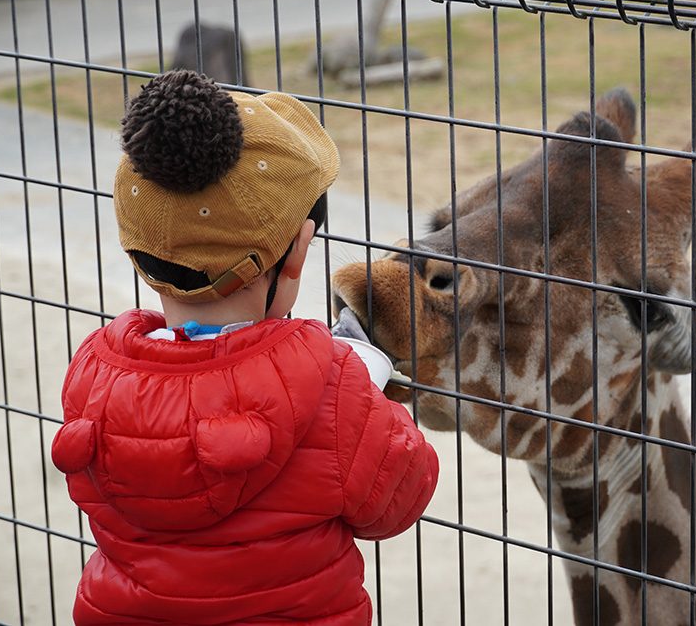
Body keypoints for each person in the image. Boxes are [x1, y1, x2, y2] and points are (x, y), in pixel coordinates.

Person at [50, 70, 439, 625]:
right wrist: (363, 386)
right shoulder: (334, 392)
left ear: (136, 247)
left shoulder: (93, 376)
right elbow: (397, 502)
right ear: (299, 251)